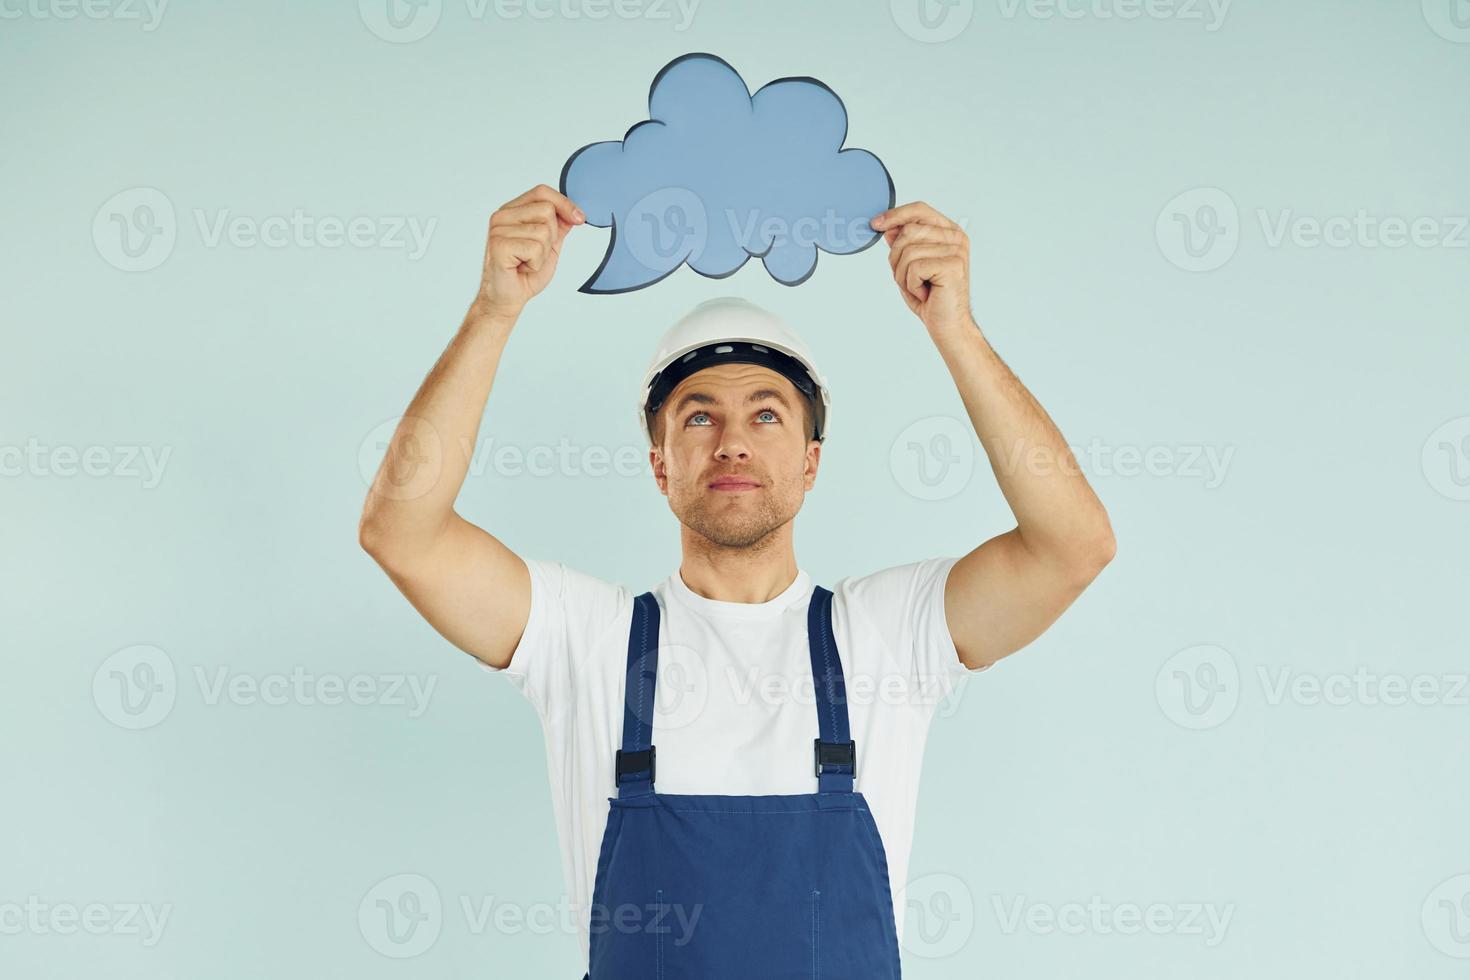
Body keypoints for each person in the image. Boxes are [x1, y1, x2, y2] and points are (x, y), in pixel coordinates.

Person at [358, 184, 1116, 977]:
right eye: (697, 416)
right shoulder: (586, 639)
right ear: (659, 465)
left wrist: (954, 328)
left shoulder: (892, 633)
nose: (731, 443)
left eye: (765, 414)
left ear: (811, 461)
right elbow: (401, 534)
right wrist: (493, 311)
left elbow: (1074, 546)